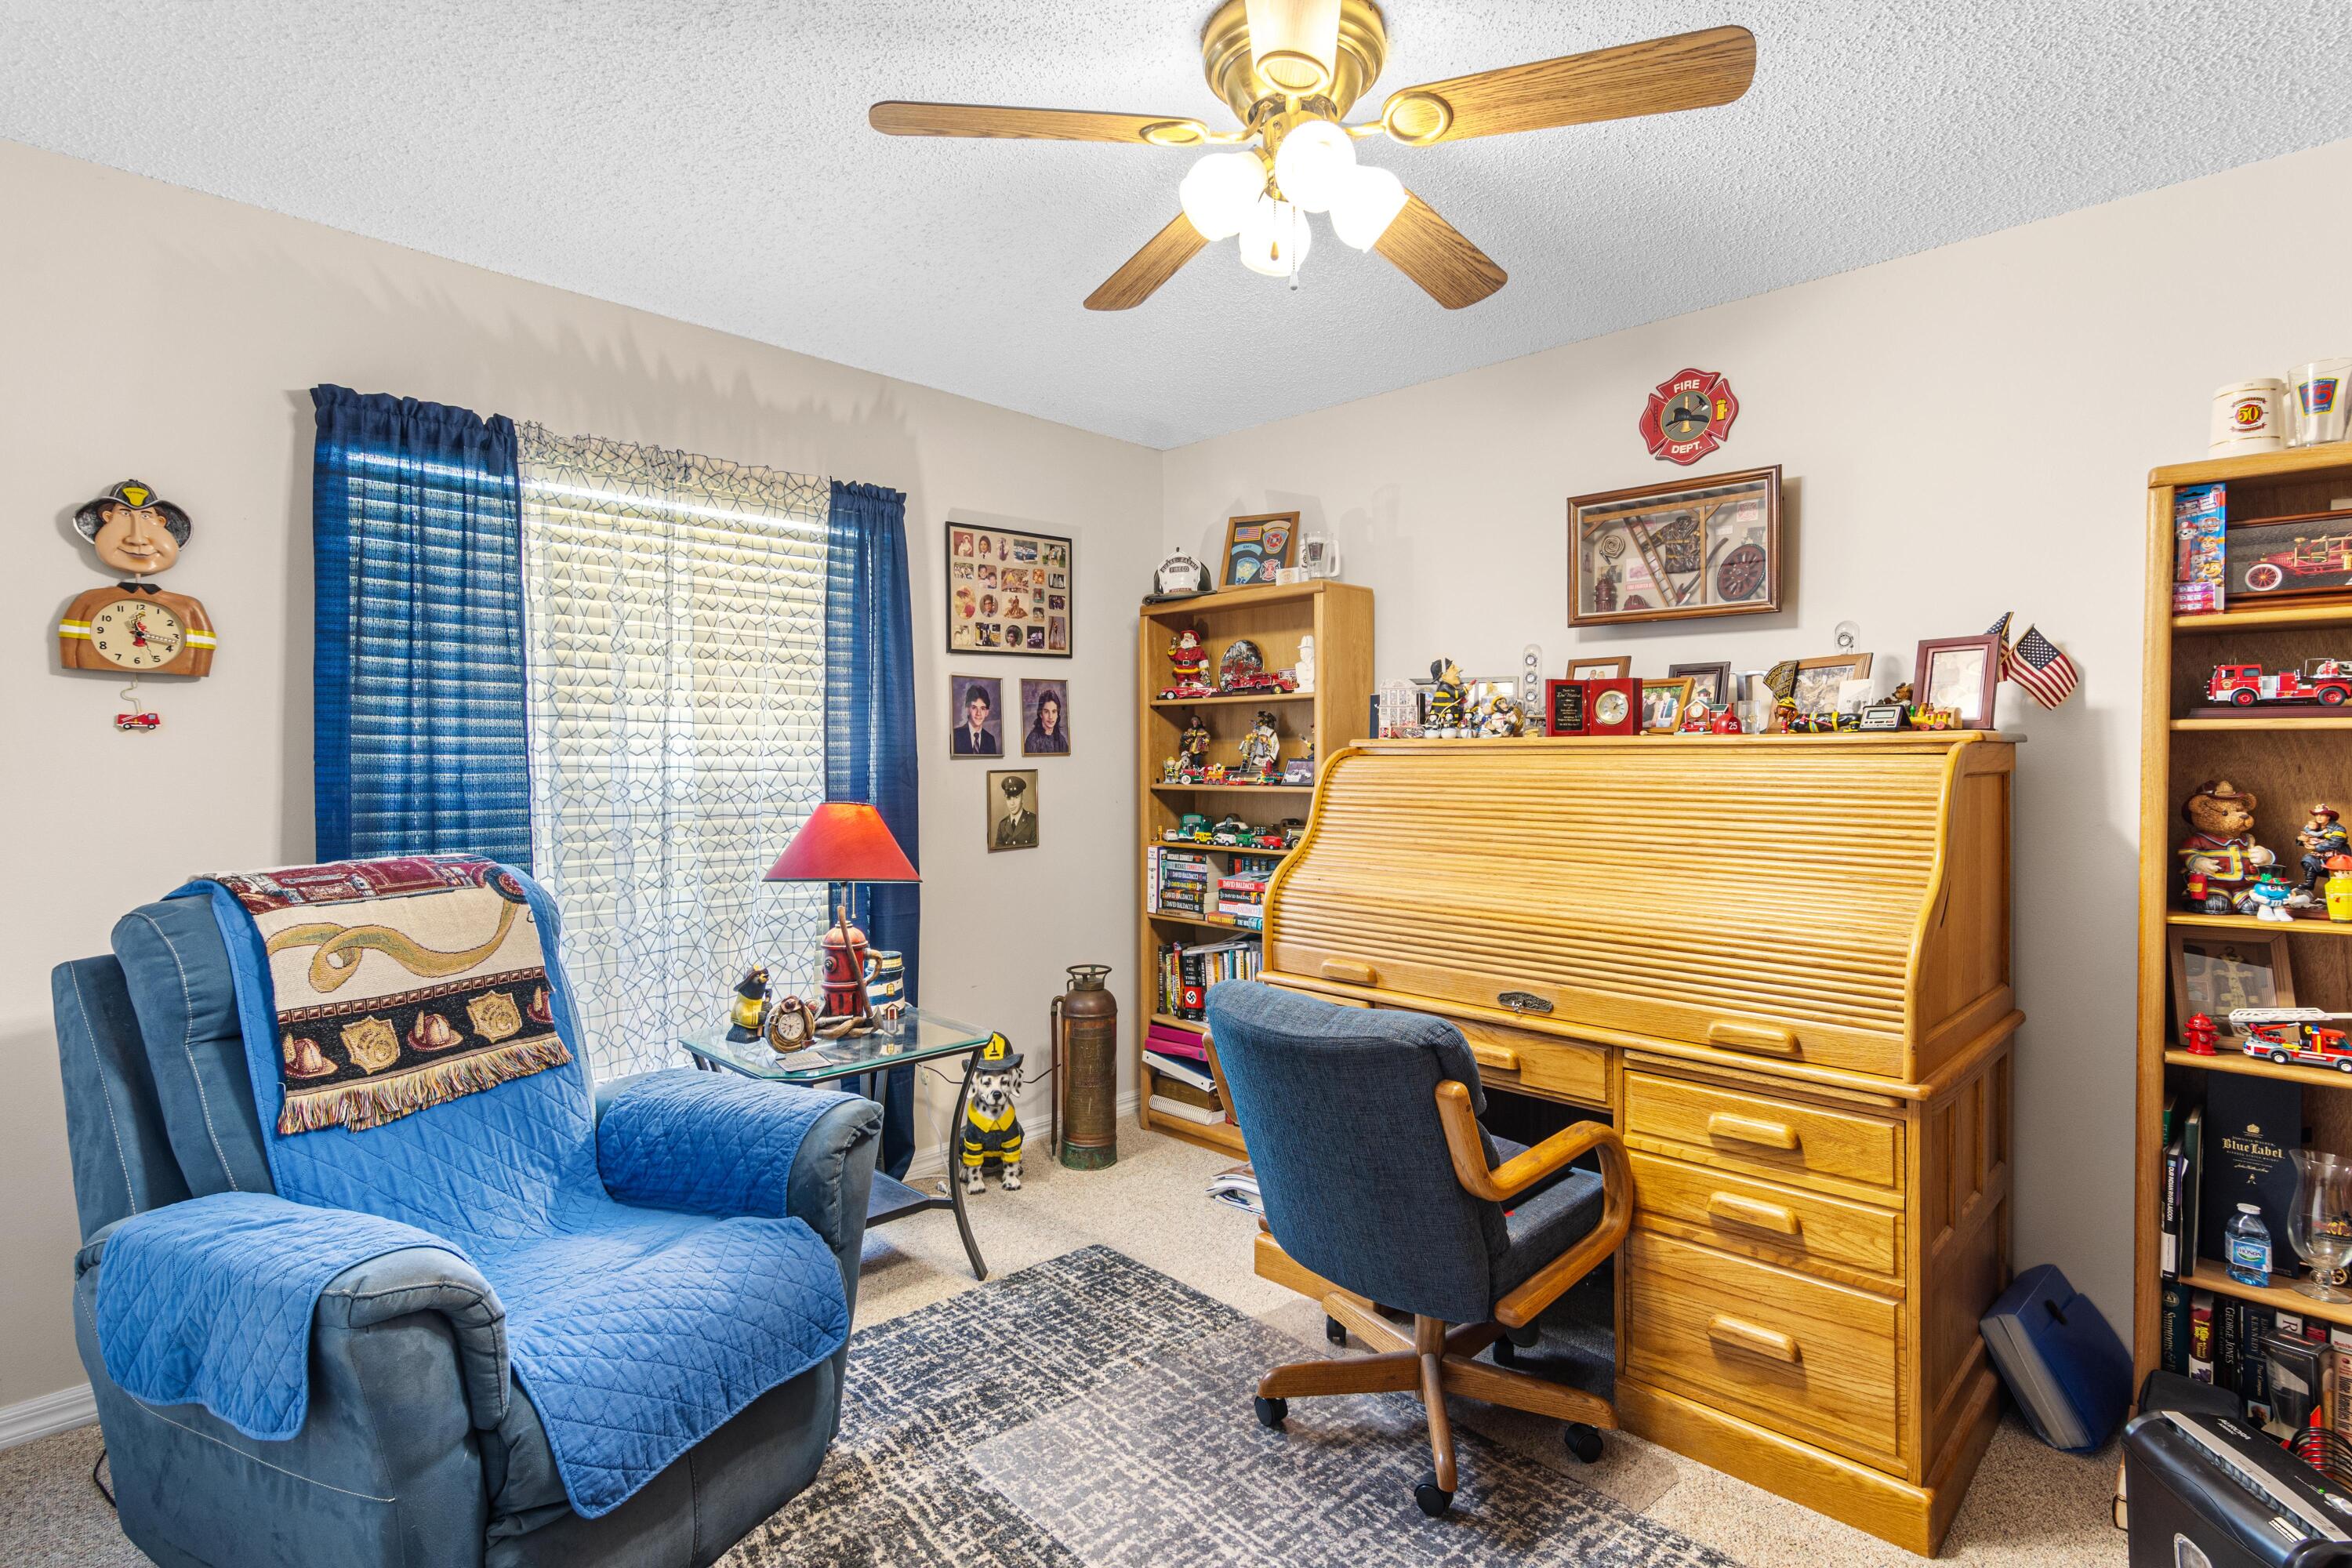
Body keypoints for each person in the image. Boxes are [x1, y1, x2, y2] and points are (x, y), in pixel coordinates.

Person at [953, 684, 1000, 756]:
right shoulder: (955, 736)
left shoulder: (990, 740)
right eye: (974, 707)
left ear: (987, 712)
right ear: (967, 710)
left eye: (982, 708)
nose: (978, 713)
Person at [993, 775, 1036, 848]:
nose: (1012, 803)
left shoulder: (1034, 821)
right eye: (1009, 798)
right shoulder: (1002, 825)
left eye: (1016, 797)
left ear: (1022, 799)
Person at [1025, 689, 1069, 754]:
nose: (1050, 717)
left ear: (1058, 714)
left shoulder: (1061, 740)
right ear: (1041, 714)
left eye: (1054, 712)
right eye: (1046, 712)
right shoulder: (1032, 740)